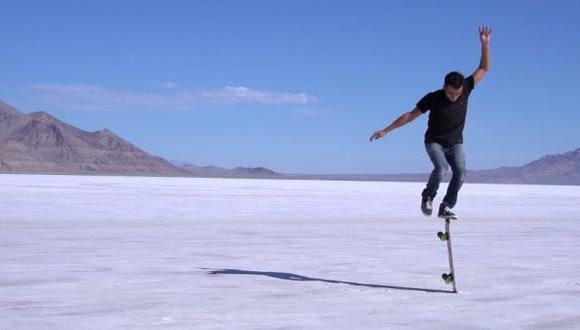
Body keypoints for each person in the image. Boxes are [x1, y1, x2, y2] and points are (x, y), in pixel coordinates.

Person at [369, 26, 492, 220]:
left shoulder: (467, 87)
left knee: (460, 172)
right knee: (441, 168)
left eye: (457, 94)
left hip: (455, 142)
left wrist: (485, 44)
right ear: (444, 87)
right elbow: (410, 115)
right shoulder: (433, 98)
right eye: (451, 93)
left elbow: (484, 68)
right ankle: (428, 197)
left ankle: (446, 206)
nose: (454, 97)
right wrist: (386, 130)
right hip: (434, 142)